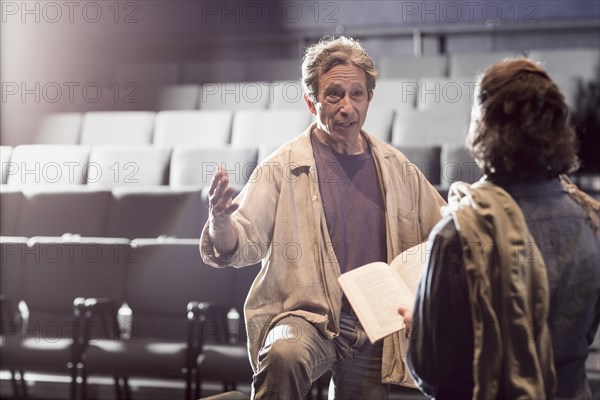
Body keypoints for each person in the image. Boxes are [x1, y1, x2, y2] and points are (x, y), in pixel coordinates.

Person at [200, 36, 446, 399]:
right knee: (283, 354)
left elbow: (442, 230)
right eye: (334, 95)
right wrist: (221, 223)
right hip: (304, 316)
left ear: (369, 98)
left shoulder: (397, 168)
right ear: (310, 101)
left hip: (375, 322)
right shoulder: (281, 167)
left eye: (356, 94)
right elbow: (241, 244)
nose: (347, 107)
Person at [400, 58, 600, 399]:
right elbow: (586, 334)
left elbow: (431, 370)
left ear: (484, 127)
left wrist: (420, 323)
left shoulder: (456, 234)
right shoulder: (591, 220)